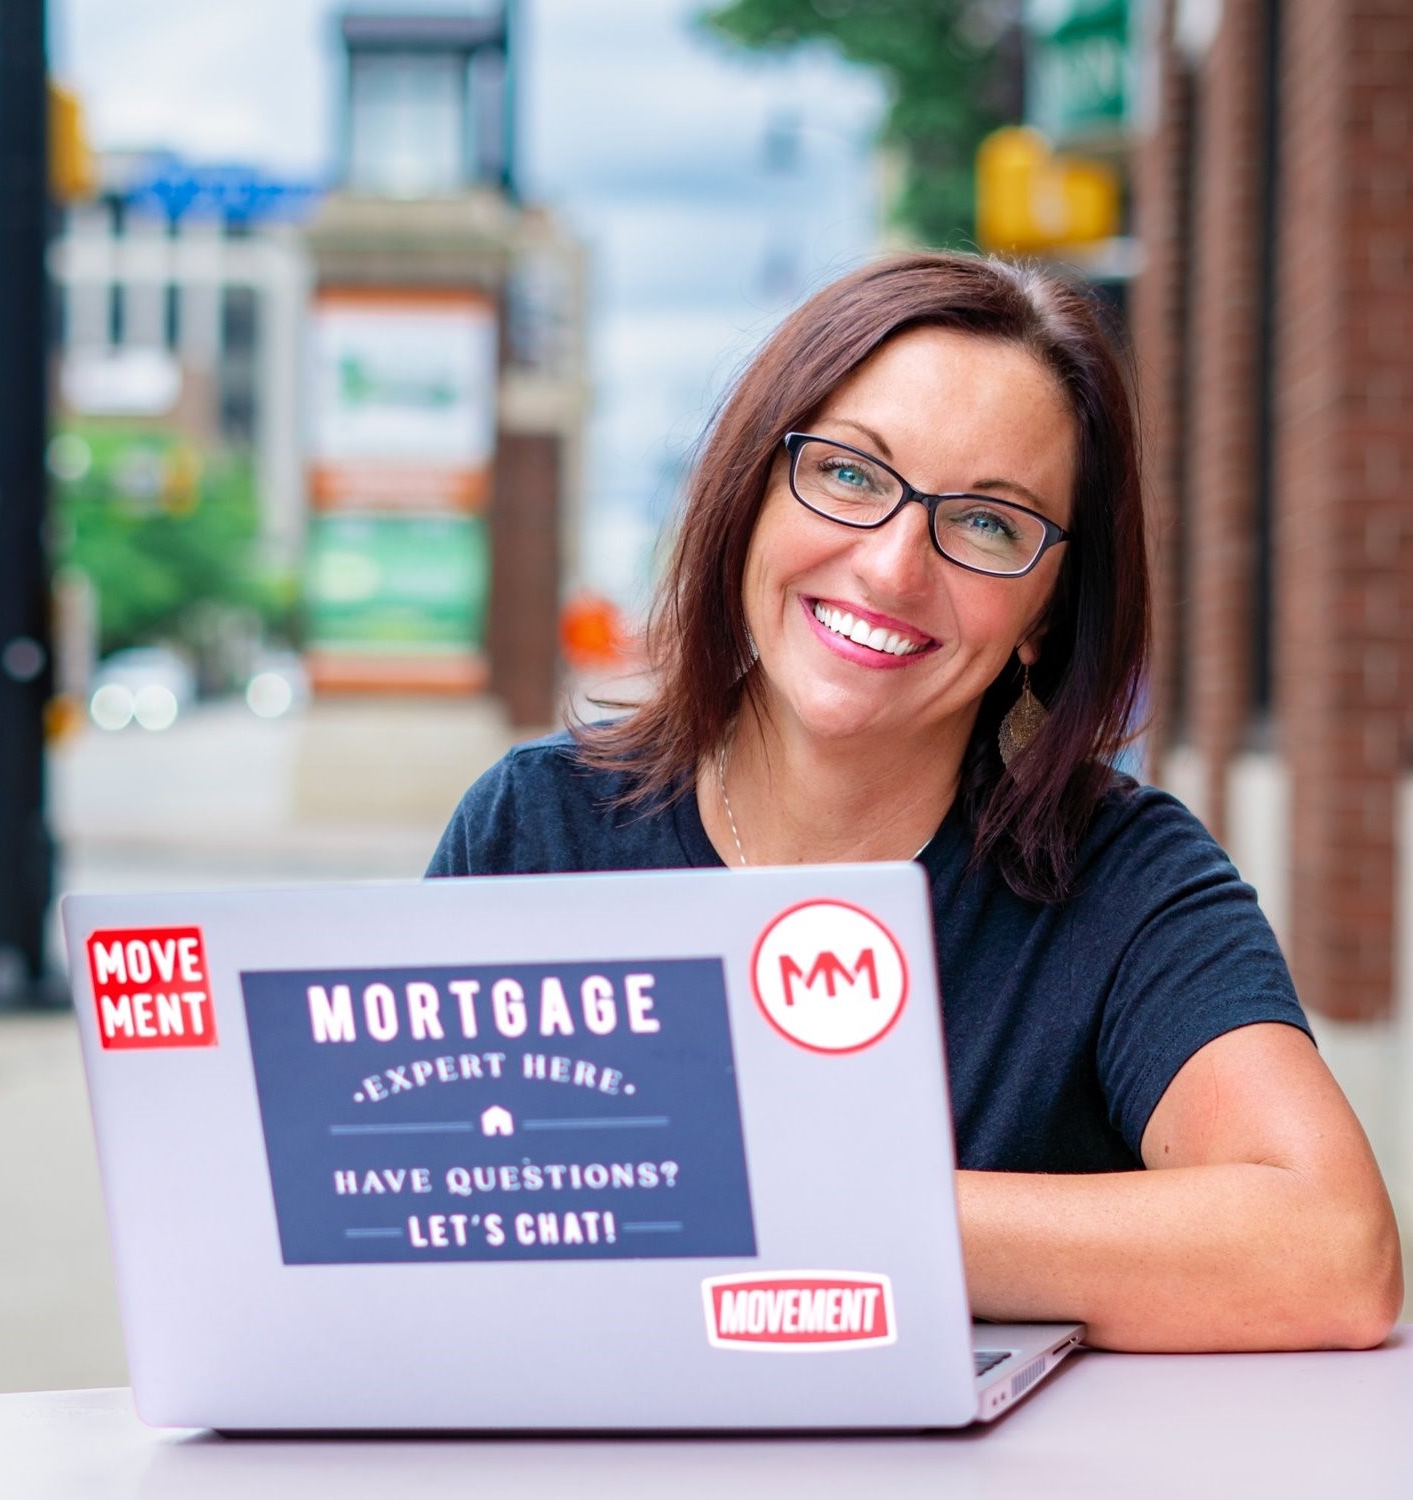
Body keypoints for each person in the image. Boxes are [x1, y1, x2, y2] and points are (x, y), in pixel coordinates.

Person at [429, 252, 1402, 1352]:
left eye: (990, 525)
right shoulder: (539, 831)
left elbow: (1332, 1254)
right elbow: (397, 1234)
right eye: (848, 473)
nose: (893, 568)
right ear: (751, 494)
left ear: (1045, 613)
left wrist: (779, 1202)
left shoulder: (1122, 880)